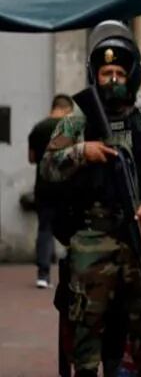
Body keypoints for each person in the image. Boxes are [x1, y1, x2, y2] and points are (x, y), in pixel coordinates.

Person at [41, 21, 141, 377]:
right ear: (94, 76)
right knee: (85, 325)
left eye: (119, 71)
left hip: (139, 237)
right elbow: (48, 168)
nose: (113, 79)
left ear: (131, 76)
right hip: (92, 239)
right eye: (105, 72)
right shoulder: (76, 122)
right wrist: (82, 152)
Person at [27, 93, 74, 288]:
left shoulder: (38, 128)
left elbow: (31, 158)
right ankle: (72, 273)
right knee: (72, 230)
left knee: (44, 229)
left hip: (43, 186)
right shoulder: (69, 128)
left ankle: (43, 274)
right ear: (65, 109)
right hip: (65, 186)